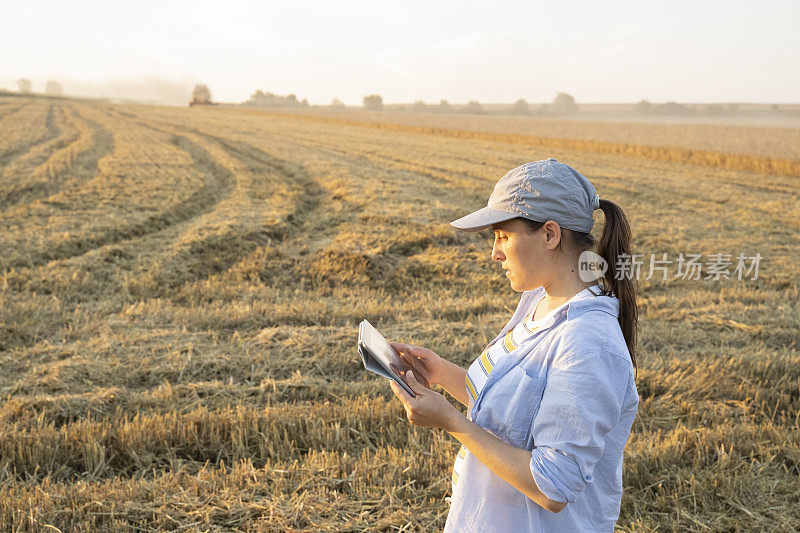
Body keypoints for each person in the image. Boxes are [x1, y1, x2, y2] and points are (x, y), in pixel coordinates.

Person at [388, 158, 640, 532]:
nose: (495, 252)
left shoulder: (590, 344)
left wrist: (452, 422)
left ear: (551, 235)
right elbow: (513, 410)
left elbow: (553, 486)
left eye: (503, 236)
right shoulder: (539, 300)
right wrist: (439, 372)